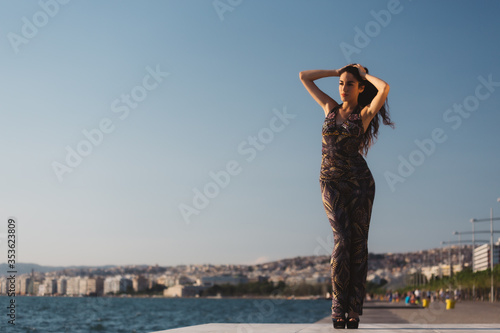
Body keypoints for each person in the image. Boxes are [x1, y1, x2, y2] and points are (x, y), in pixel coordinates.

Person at [299, 64, 393, 329]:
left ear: (361, 87)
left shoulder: (363, 114)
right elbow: (304, 77)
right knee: (342, 240)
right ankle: (338, 307)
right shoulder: (329, 108)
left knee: (358, 245)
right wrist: (337, 71)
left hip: (360, 183)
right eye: (341, 84)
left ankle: (353, 311)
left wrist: (363, 75)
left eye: (349, 84)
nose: (343, 88)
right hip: (330, 182)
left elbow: (384, 88)